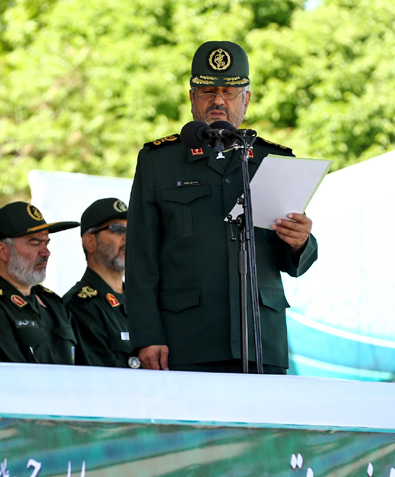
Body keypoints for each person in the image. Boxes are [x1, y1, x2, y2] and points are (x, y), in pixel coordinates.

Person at [126, 41, 318, 374]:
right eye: (207, 91)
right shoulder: (160, 162)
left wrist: (300, 241)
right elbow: (140, 258)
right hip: (186, 339)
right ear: (191, 99)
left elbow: (295, 262)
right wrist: (147, 336)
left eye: (229, 92)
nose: (218, 100)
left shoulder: (275, 160)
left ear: (246, 99)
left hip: (262, 339)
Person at [0, 201, 80, 364]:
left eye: (46, 243)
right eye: (34, 243)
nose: (46, 252)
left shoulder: (53, 303)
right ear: (2, 251)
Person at [63, 198, 131, 367]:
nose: (127, 238)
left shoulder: (143, 300)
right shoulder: (79, 305)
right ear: (90, 242)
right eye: (117, 229)